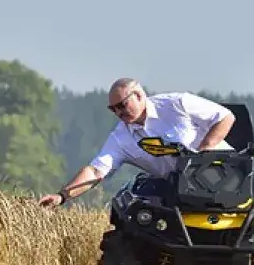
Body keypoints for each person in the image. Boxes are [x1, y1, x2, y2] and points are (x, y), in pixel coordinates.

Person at [38, 78, 236, 207]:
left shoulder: (177, 104)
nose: (118, 113)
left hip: (228, 179)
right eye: (113, 109)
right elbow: (96, 171)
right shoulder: (121, 138)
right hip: (182, 195)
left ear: (139, 95)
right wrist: (62, 196)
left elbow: (225, 117)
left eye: (122, 105)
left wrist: (205, 151)